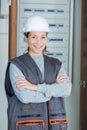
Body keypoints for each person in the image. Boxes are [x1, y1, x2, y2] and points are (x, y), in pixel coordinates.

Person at [5, 15, 72, 130]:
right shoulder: (16, 65)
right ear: (26, 38)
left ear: (46, 38)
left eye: (42, 37)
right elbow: (25, 96)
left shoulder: (56, 64)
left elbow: (66, 90)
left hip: (54, 124)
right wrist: (54, 89)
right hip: (26, 124)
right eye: (33, 37)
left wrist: (34, 87)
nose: (38, 42)